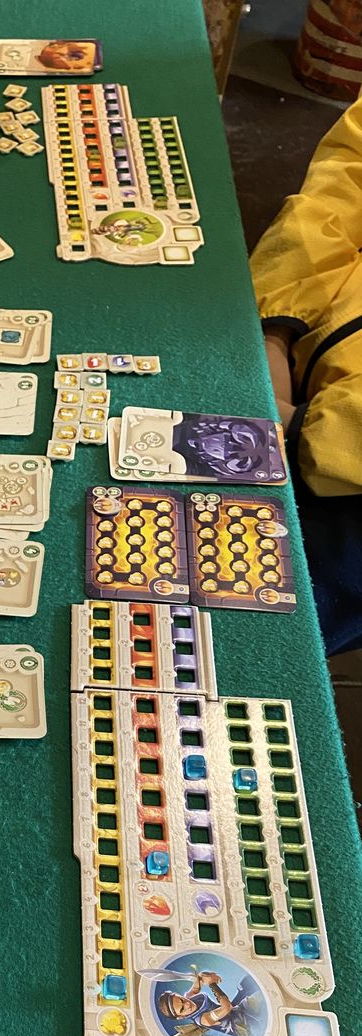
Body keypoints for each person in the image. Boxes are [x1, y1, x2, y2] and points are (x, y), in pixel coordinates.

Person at [251, 95, 362, 655]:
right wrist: (278, 322)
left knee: (252, 637)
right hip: (310, 352)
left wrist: (309, 431)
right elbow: (347, 175)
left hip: (352, 481)